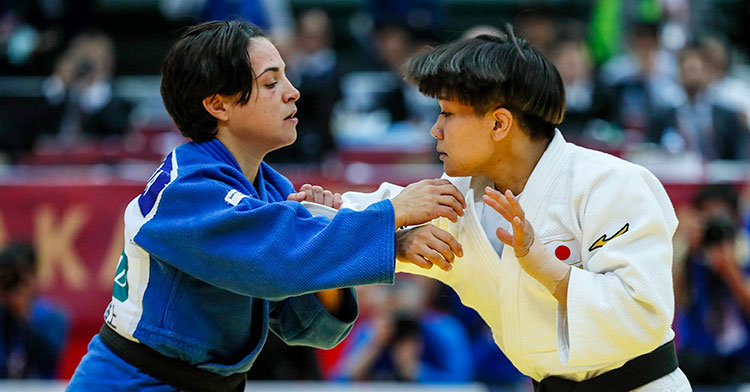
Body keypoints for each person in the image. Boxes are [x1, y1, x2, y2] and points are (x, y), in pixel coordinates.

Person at [66, 20, 466, 392]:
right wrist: (392, 215)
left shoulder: (270, 189)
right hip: (132, 381)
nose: (292, 92)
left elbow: (311, 329)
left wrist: (337, 235)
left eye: (286, 77)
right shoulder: (185, 189)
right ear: (218, 105)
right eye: (271, 82)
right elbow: (276, 258)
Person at [320, 29, 691, 391]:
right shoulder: (451, 202)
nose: (435, 130)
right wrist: (392, 235)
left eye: (447, 113)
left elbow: (642, 315)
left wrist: (548, 269)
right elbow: (326, 220)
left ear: (499, 123)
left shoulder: (610, 184)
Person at [0, 243, 69, 379]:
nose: (14, 283)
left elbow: (49, 357)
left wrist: (24, 315)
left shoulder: (54, 317)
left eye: (19, 277)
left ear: (33, 276)